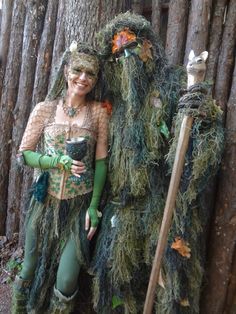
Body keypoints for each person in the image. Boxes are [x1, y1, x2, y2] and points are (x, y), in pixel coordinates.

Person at [91, 12, 224, 314]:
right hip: (121, 204)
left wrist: (200, 113)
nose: (126, 57)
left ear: (148, 44)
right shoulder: (113, 95)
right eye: (118, 52)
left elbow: (195, 136)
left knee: (171, 275)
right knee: (115, 274)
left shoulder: (174, 81)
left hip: (160, 200)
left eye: (132, 47)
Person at [12, 42, 109, 313]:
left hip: (80, 204)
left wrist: (93, 206)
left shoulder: (99, 112)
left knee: (67, 278)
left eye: (90, 73)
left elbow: (101, 162)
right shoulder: (44, 109)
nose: (83, 78)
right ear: (66, 71)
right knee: (29, 264)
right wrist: (56, 162)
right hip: (44, 199)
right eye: (78, 70)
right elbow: (25, 154)